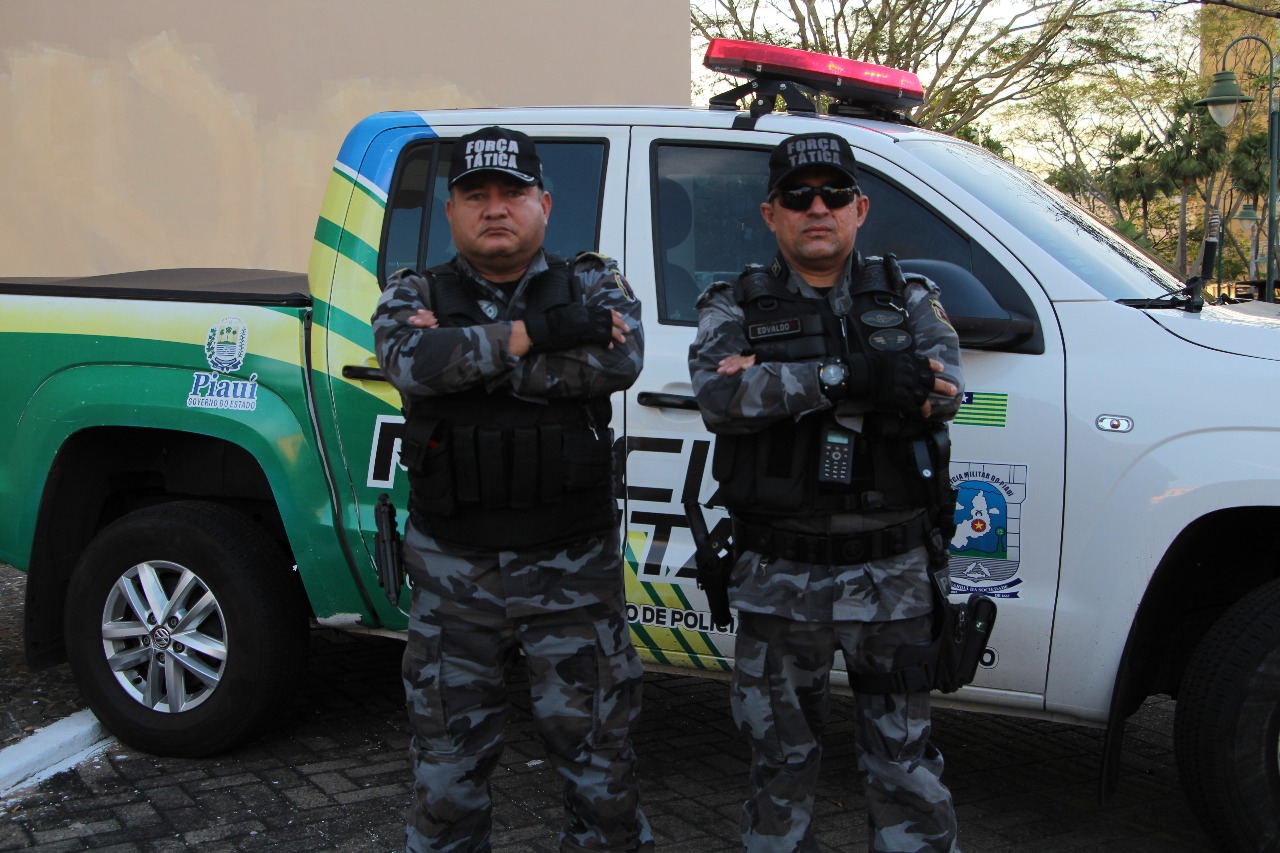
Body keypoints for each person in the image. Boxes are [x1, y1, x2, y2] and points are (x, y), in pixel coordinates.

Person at [373, 126, 652, 853]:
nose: (495, 208)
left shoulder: (594, 283)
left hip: (572, 578)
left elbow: (616, 364)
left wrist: (470, 354)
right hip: (453, 581)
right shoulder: (414, 290)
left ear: (545, 203)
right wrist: (541, 333)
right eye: (476, 195)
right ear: (452, 210)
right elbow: (411, 362)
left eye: (512, 192)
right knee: (446, 784)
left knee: (602, 775)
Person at [687, 131, 964, 853]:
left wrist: (780, 379)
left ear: (860, 208)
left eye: (834, 193)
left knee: (903, 767)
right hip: (780, 576)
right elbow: (720, 397)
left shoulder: (909, 297)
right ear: (770, 212)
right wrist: (852, 377)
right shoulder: (731, 301)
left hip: (894, 576)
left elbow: (940, 391)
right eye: (798, 195)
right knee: (779, 769)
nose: (818, 207)